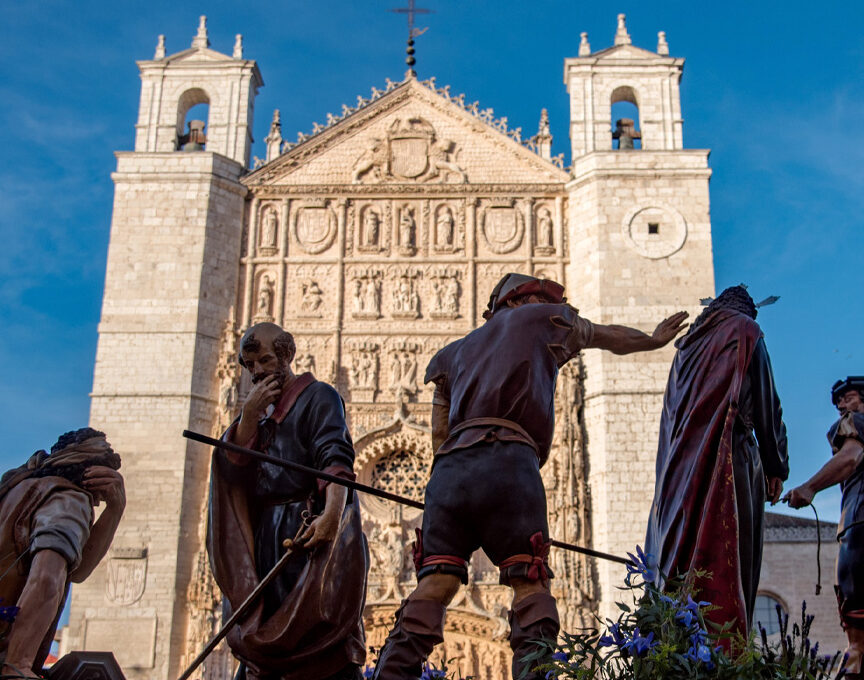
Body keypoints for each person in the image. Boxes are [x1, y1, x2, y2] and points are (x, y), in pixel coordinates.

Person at [371, 273, 688, 680]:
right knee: (530, 585)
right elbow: (608, 336)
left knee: (434, 585)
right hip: (509, 463)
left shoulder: (451, 354)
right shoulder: (546, 320)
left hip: (450, 471)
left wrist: (447, 492)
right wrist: (653, 339)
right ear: (522, 303)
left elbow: (438, 435)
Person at [207, 322, 367, 680]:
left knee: (316, 632)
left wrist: (332, 515)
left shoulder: (319, 396)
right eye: (250, 366)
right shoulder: (258, 413)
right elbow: (232, 469)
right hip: (268, 537)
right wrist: (248, 417)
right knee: (265, 638)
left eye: (264, 360)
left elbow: (335, 458)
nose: (258, 371)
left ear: (287, 356)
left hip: (306, 531)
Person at [645, 285, 788, 642]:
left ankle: (679, 643)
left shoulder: (685, 349)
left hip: (681, 472)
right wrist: (776, 465)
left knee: (683, 552)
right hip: (730, 458)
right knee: (731, 555)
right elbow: (768, 404)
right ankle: (726, 644)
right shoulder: (746, 330)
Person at [0, 428, 125, 679]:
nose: (98, 502)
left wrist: (114, 510)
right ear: (93, 474)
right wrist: (18, 662)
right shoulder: (68, 500)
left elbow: (76, 572)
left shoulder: (15, 488)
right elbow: (47, 578)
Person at [785, 376, 864, 679]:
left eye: (849, 398)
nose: (842, 406)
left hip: (859, 527)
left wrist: (809, 487)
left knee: (856, 640)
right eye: (838, 402)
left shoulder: (856, 422)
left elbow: (849, 459)